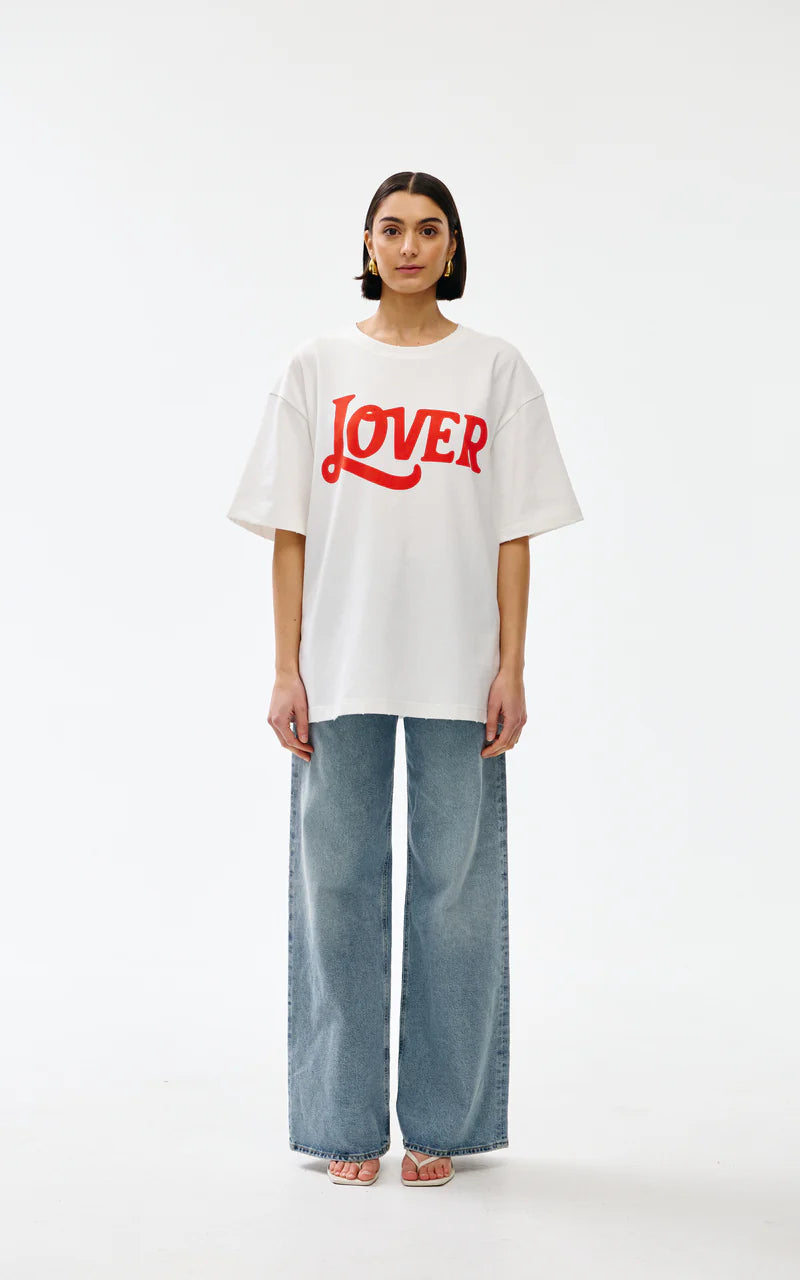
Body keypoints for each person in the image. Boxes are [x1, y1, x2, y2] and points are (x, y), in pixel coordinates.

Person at [226, 171, 584, 1188]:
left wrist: (511, 664)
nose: (411, 245)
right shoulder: (316, 366)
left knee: (454, 896)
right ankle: (342, 1125)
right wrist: (285, 665)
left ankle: (443, 1122)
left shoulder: (495, 369)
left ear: (452, 247)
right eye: (392, 228)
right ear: (368, 245)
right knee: (335, 888)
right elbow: (288, 531)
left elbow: (514, 532)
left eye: (430, 229)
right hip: (338, 664)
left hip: (458, 668)